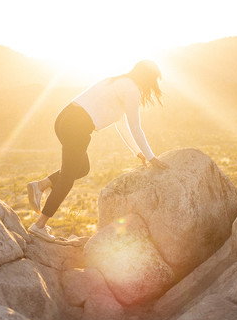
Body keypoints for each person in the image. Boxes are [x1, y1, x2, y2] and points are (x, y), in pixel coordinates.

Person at [26, 59, 169, 241]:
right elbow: (135, 127)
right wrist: (151, 157)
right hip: (77, 126)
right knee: (68, 178)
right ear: (147, 78)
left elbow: (122, 125)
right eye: (153, 80)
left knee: (82, 168)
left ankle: (40, 186)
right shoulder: (131, 89)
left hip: (64, 119)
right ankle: (39, 225)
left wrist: (138, 153)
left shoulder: (115, 81)